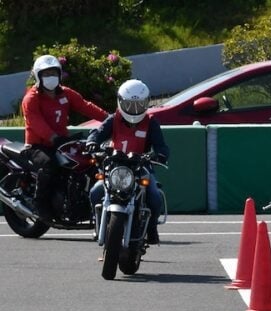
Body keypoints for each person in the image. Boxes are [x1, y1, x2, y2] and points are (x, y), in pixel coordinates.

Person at [21, 54, 107, 222]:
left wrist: (110, 119)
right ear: (38, 76)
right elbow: (36, 123)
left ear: (59, 74)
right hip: (38, 146)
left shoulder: (65, 94)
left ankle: (76, 202)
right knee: (49, 165)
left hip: (61, 143)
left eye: (53, 73)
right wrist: (53, 137)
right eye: (46, 74)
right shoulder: (31, 99)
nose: (50, 77)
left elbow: (85, 106)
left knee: (86, 161)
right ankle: (40, 204)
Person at [86, 79, 170, 245]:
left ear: (146, 103)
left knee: (154, 196)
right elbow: (97, 133)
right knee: (95, 193)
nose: (134, 109)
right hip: (115, 167)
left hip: (141, 167)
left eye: (139, 105)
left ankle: (152, 229)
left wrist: (159, 155)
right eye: (130, 105)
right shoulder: (113, 119)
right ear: (120, 102)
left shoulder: (151, 122)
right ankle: (99, 226)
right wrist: (92, 142)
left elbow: (161, 146)